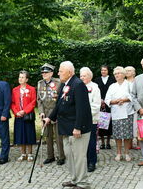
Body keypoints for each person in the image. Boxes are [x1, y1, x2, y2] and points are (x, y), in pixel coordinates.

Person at [44, 61, 92, 189]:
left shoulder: (78, 85)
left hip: (77, 128)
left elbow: (82, 109)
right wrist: (50, 117)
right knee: (69, 155)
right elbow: (58, 105)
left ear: (70, 72)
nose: (58, 73)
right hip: (65, 127)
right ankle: (74, 179)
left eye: (61, 71)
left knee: (79, 156)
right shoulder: (65, 85)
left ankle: (83, 183)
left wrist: (78, 127)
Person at [37, 63, 65, 165]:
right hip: (45, 113)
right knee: (48, 136)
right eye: (43, 72)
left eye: (46, 72)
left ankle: (61, 156)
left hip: (56, 112)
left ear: (51, 73)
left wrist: (57, 112)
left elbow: (60, 99)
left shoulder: (58, 82)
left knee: (58, 136)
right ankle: (50, 156)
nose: (44, 74)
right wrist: (41, 112)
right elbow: (39, 100)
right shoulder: (40, 83)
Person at [105, 66, 134, 162]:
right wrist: (116, 101)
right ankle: (118, 153)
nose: (117, 75)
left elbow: (133, 97)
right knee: (117, 135)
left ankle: (126, 153)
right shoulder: (112, 86)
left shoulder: (129, 84)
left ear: (124, 74)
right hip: (116, 112)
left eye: (119, 73)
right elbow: (107, 99)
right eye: (115, 74)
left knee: (126, 135)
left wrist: (123, 100)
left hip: (127, 112)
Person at [11, 70, 37, 162]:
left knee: (29, 134)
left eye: (22, 77)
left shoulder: (32, 89)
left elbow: (33, 102)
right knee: (20, 134)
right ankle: (22, 154)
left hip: (28, 115)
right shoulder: (15, 90)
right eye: (19, 77)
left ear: (26, 79)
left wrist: (24, 111)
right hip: (18, 116)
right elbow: (13, 103)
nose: (20, 79)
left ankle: (30, 154)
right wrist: (16, 112)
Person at [80, 67, 101, 172]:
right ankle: (82, 162)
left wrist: (85, 115)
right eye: (81, 76)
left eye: (84, 76)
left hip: (91, 119)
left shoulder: (95, 88)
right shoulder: (78, 86)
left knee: (91, 142)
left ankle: (92, 162)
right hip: (79, 121)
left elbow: (96, 105)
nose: (82, 77)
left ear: (90, 76)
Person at [94, 65, 115, 149]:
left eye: (105, 70)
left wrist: (107, 100)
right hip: (100, 103)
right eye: (102, 70)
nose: (103, 72)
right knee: (101, 123)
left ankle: (108, 142)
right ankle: (102, 142)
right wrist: (100, 100)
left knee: (109, 123)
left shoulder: (112, 80)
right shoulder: (97, 80)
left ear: (108, 71)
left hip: (110, 103)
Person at [125, 66, 140, 150]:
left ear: (134, 72)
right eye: (126, 71)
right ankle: (129, 143)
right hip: (126, 106)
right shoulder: (123, 82)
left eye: (129, 71)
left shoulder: (137, 81)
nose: (127, 72)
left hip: (136, 105)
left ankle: (139, 142)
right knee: (128, 125)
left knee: (137, 124)